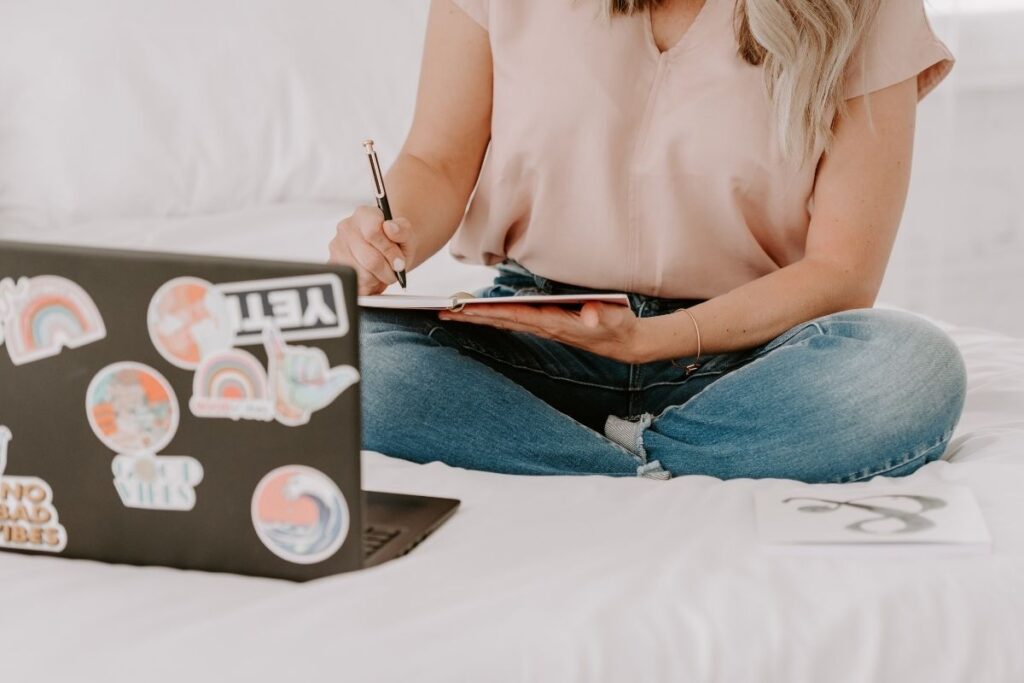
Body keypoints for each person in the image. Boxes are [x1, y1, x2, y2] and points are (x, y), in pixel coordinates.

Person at [329, 0, 966, 482]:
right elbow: (437, 163)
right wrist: (387, 236)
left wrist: (652, 340)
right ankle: (638, 469)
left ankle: (601, 456)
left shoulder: (865, 9)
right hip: (538, 332)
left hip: (746, 356)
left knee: (914, 366)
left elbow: (843, 272)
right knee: (340, 354)